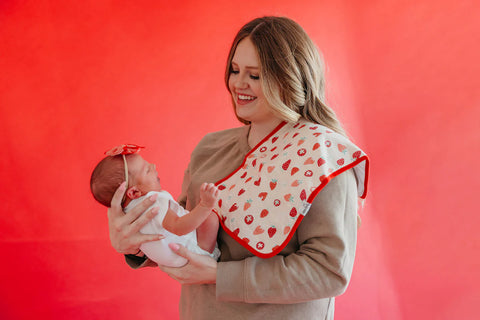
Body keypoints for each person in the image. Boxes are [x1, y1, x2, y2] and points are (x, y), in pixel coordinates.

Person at [106, 16, 369, 319]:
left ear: (287, 77)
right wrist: (133, 242)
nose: (238, 84)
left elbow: (328, 271)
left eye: (255, 75)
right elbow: (181, 234)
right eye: (234, 70)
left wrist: (221, 275)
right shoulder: (210, 148)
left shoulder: (322, 159)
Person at [90, 144, 220, 267]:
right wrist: (205, 205)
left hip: (175, 262)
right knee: (211, 218)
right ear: (134, 192)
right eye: (147, 170)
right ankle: (209, 251)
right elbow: (179, 228)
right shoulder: (153, 203)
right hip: (196, 252)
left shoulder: (127, 215)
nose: (153, 166)